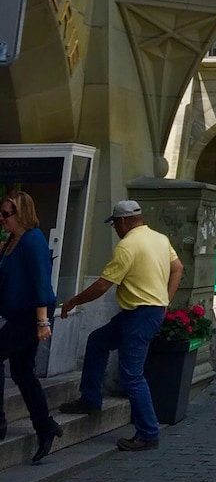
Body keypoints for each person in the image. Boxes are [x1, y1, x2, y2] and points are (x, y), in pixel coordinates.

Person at [60, 201, 183, 452]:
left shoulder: (127, 246)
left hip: (140, 314)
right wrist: (165, 301)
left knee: (132, 376)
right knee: (98, 341)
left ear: (124, 221)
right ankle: (91, 399)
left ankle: (148, 433)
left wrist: (73, 301)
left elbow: (102, 285)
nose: (115, 228)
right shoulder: (159, 238)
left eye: (115, 223)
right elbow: (178, 268)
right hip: (143, 312)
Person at [0, 193, 61, 464]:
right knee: (23, 372)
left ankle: (2, 421)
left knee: (19, 369)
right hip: (17, 313)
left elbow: (40, 283)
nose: (1, 219)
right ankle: (45, 426)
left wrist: (42, 322)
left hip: (31, 315)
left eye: (6, 214)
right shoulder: (12, 241)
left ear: (22, 214)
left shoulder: (33, 240)